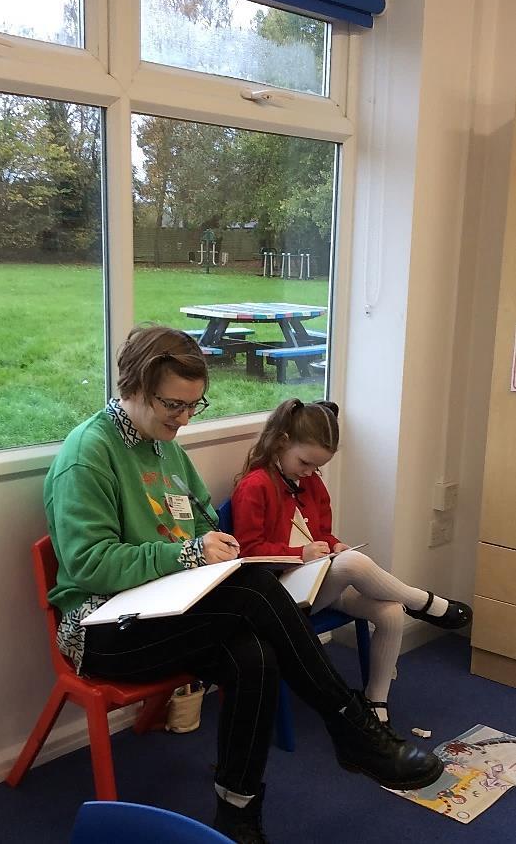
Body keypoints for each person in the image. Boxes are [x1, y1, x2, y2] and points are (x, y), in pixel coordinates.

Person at [44, 327, 444, 844]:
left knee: (255, 655)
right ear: (134, 387)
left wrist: (215, 543)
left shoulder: (163, 446)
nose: (185, 418)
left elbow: (200, 518)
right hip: (101, 628)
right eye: (173, 404)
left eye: (194, 405)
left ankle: (238, 812)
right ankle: (351, 726)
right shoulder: (89, 453)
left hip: (169, 609)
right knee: (254, 589)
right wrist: (188, 553)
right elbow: (88, 563)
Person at [231, 398, 473, 729]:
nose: (309, 473)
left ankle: (376, 701)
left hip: (317, 583)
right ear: (281, 442)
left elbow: (321, 533)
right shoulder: (255, 485)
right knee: (352, 564)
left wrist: (334, 545)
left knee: (390, 611)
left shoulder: (310, 483)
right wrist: (300, 554)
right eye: (304, 463)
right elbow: (248, 553)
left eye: (316, 467)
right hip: (279, 596)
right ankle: (424, 602)